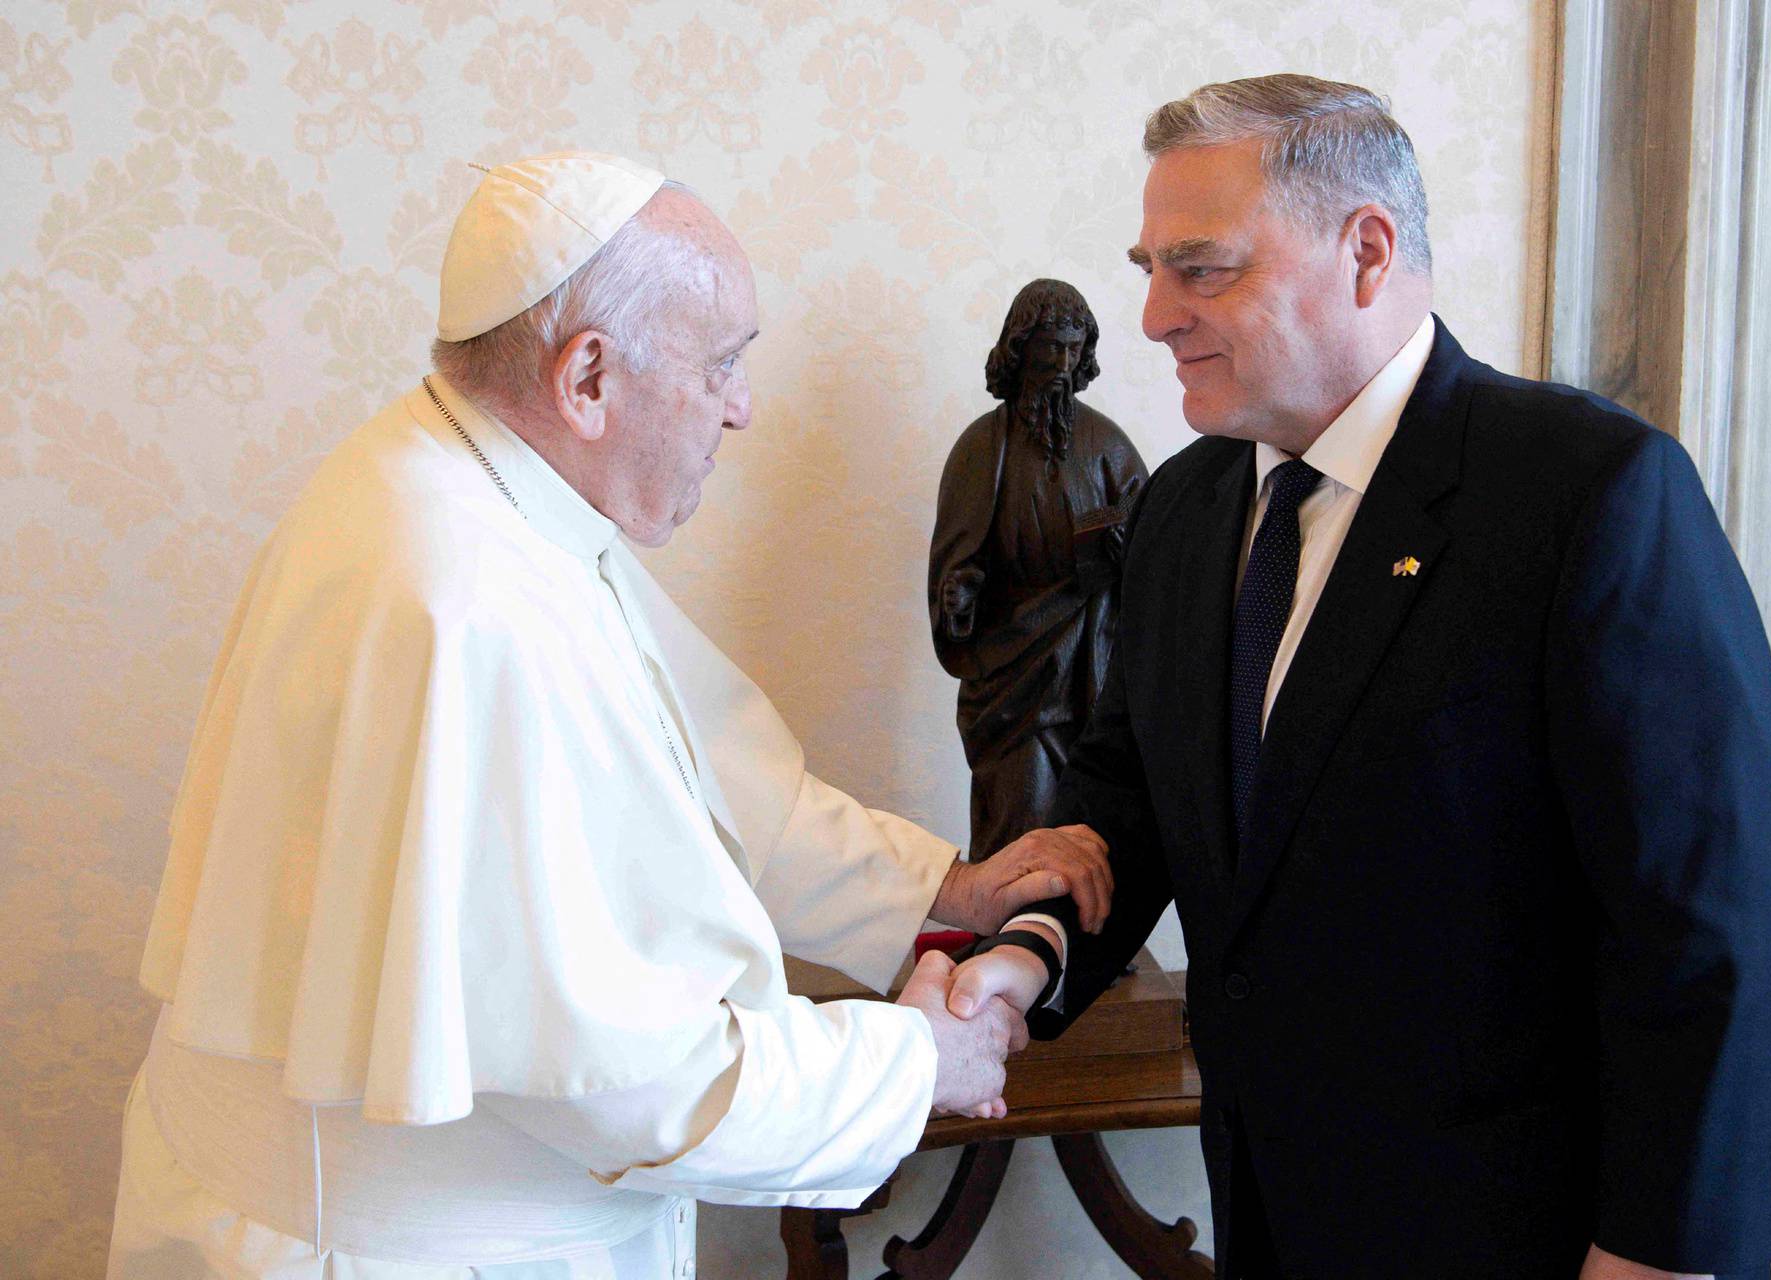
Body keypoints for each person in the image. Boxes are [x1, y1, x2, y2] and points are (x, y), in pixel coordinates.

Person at [104, 151, 1112, 1279]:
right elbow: (631, 1075)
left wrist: (935, 888)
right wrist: (915, 1062)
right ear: (587, 377)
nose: (743, 410)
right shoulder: (462, 599)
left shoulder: (480, 484)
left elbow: (708, 773)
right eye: (722, 365)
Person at [948, 76, 1771, 1280]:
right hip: (1266, 1200)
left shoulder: (1586, 491)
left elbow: (1710, 913)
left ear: (1367, 250)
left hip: (1524, 1229)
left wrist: (1661, 1249)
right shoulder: (1189, 507)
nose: (1150, 316)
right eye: (1149, 266)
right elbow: (1130, 797)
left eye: (1202, 270)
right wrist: (1026, 955)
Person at [929, 278, 1148, 859]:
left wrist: (1127, 552)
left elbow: (1154, 563)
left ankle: (1079, 940)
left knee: (1090, 820)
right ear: (1019, 347)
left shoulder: (1108, 446)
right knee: (1018, 814)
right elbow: (956, 561)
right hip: (1012, 666)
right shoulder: (981, 448)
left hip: (1091, 664)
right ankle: (1008, 934)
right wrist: (958, 599)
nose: (1060, 363)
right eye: (1048, 346)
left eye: (1073, 350)